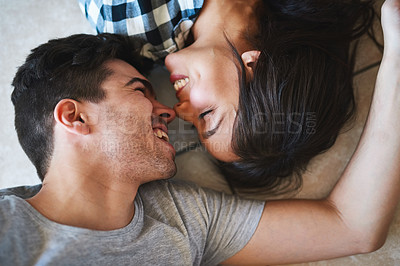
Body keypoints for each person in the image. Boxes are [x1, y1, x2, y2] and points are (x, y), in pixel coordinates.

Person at [1, 1, 400, 262]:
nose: (172, 112)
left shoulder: (186, 220)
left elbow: (353, 225)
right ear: (74, 117)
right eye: (140, 89)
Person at [79, 0, 378, 195]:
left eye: (193, 122)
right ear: (255, 66)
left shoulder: (134, 27)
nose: (180, 111)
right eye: (206, 114)